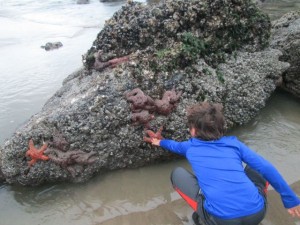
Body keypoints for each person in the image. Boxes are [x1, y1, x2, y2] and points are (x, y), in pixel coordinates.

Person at [145, 102, 300, 225]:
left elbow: (174, 146)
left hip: (221, 220)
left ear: (193, 130)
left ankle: (201, 219)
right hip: (256, 214)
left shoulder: (190, 146)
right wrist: (290, 199)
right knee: (259, 165)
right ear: (221, 127)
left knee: (177, 173)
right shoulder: (234, 144)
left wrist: (158, 141)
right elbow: (267, 168)